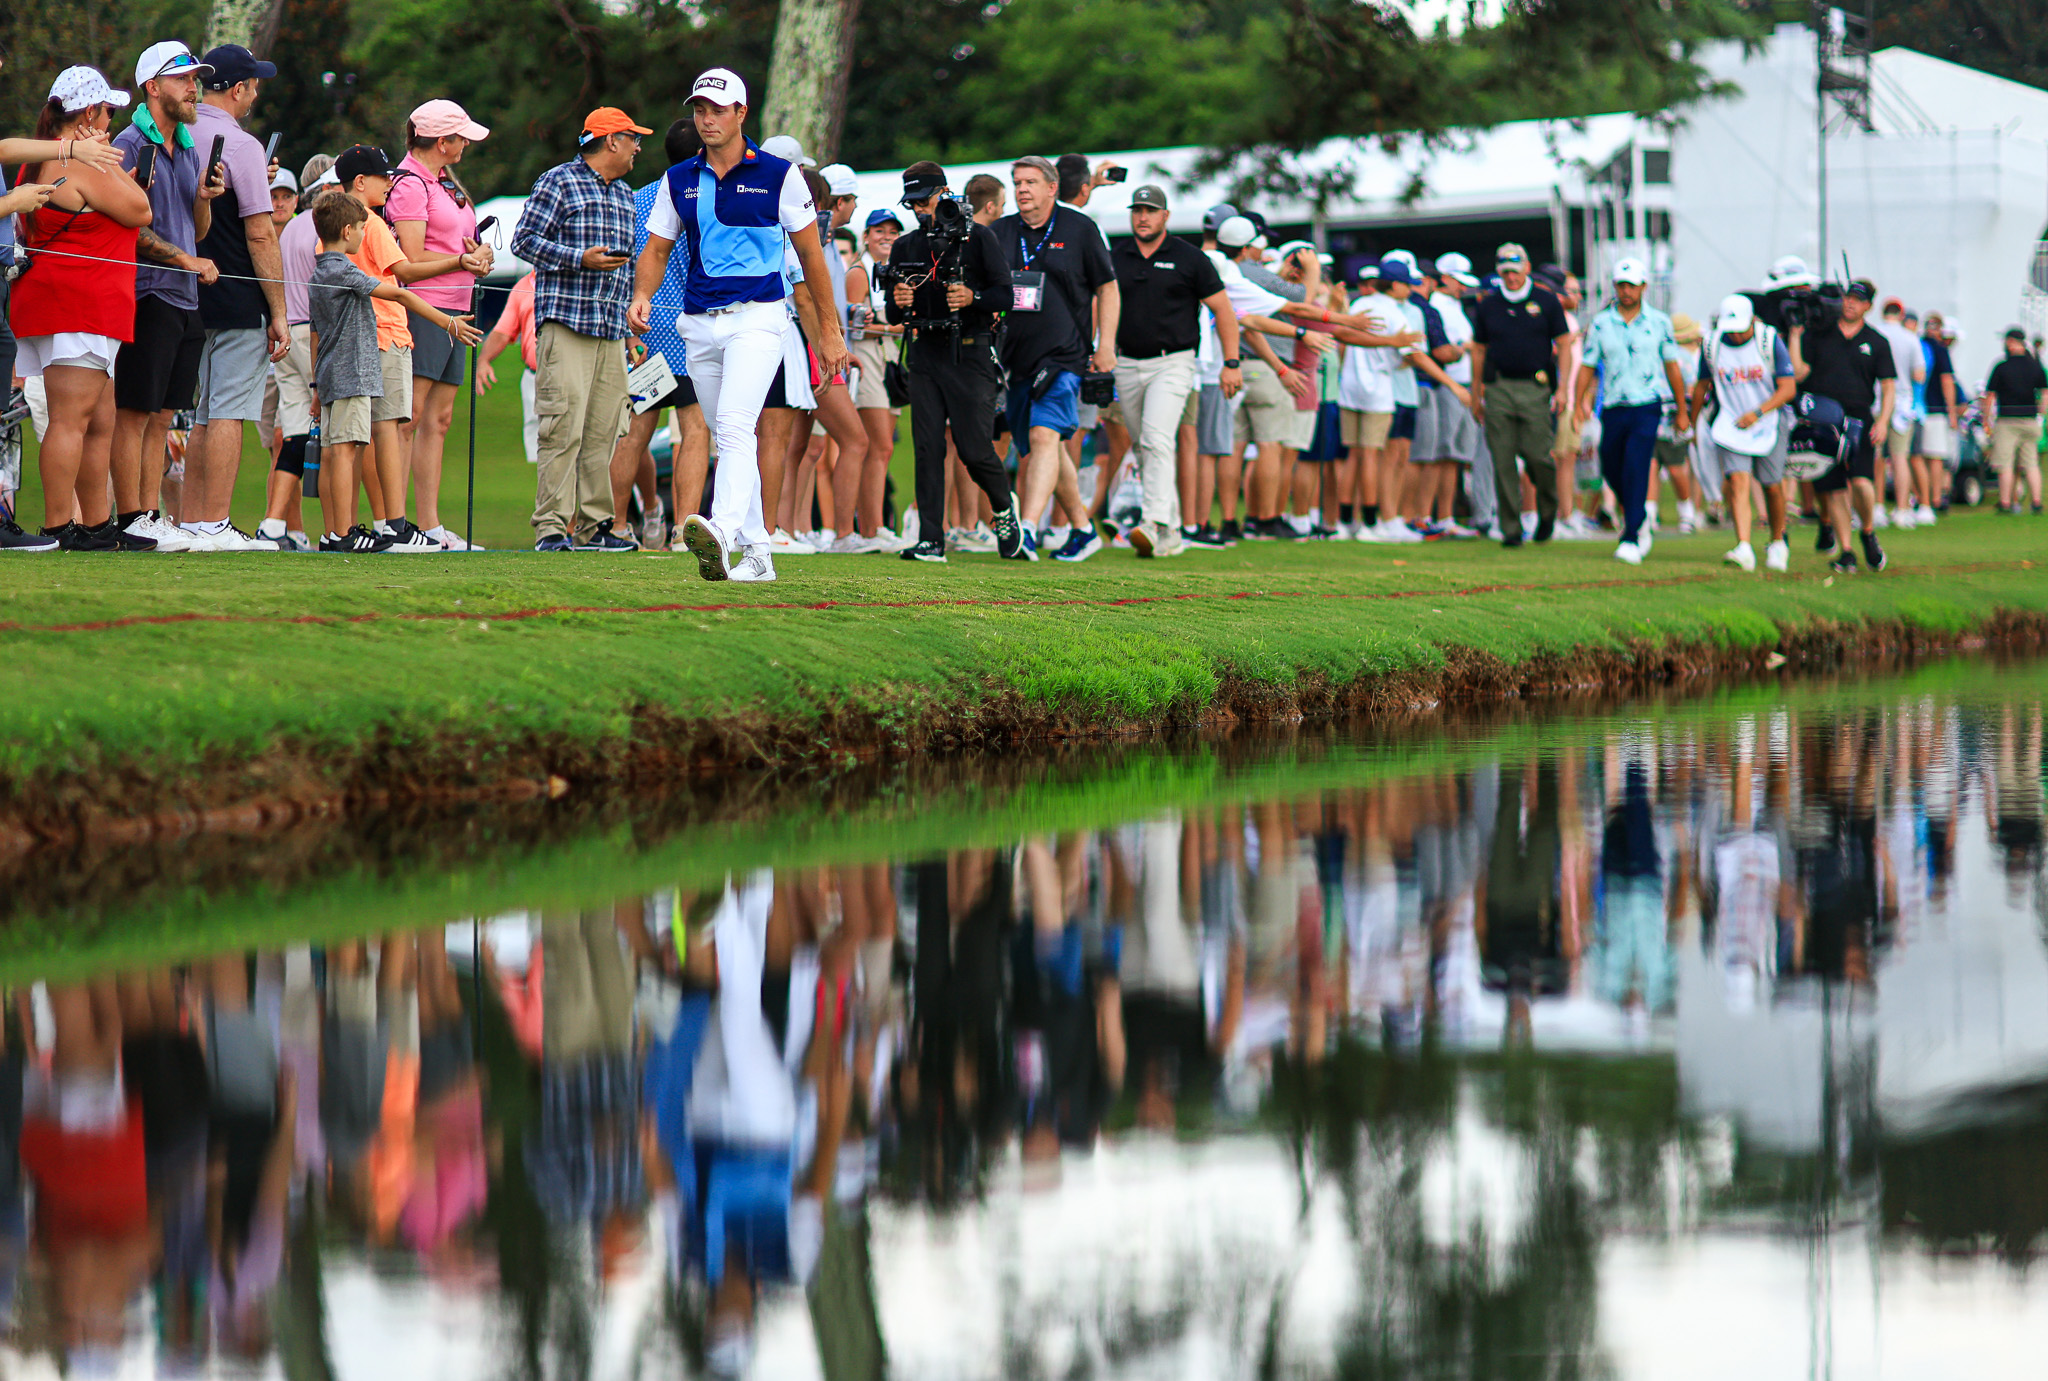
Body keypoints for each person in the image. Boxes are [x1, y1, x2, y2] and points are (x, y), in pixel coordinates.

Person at [629, 69, 848, 583]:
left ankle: (722, 531)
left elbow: (812, 259)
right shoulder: (678, 178)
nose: (707, 119)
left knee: (732, 427)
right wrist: (642, 294)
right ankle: (759, 556)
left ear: (741, 114)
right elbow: (657, 249)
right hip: (697, 325)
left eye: (718, 110)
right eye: (699, 109)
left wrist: (831, 332)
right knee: (732, 439)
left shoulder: (780, 175)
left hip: (759, 318)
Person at [9, 66, 154, 550]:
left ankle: (96, 522)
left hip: (76, 303)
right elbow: (140, 210)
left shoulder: (45, 159)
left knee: (99, 419)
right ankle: (59, 525)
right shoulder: (85, 163)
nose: (112, 121)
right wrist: (111, 169)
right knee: (72, 418)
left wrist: (114, 174)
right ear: (88, 114)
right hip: (79, 303)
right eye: (107, 111)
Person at [307, 193, 478, 552]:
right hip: (352, 370)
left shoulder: (319, 270)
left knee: (338, 447)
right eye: (362, 231)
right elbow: (400, 295)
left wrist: (315, 382)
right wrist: (448, 323)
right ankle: (343, 533)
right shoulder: (345, 270)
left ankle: (337, 532)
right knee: (345, 449)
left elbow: (316, 331)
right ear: (348, 231)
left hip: (331, 370)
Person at [513, 106, 648, 553]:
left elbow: (627, 267)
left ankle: (596, 526)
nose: (637, 148)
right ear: (611, 141)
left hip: (611, 328)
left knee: (604, 430)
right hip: (567, 322)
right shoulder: (558, 181)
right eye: (632, 139)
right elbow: (523, 241)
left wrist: (631, 332)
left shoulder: (626, 194)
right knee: (562, 426)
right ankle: (551, 528)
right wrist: (579, 258)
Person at [881, 161, 1026, 562]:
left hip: (970, 351)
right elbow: (894, 317)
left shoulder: (977, 238)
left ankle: (1003, 508)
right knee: (927, 447)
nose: (918, 211)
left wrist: (973, 299)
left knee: (974, 448)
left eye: (923, 201)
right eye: (911, 204)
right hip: (925, 352)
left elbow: (1005, 294)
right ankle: (931, 538)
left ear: (944, 193)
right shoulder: (906, 245)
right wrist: (898, 302)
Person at [109, 41, 221, 554]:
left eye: (195, 78)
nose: (193, 87)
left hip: (183, 297)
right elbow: (123, 229)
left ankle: (148, 514)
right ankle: (130, 517)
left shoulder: (190, 147)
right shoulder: (131, 144)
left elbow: (197, 233)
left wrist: (203, 199)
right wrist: (183, 261)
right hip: (145, 292)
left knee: (161, 415)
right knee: (134, 411)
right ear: (153, 87)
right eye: (182, 79)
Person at [184, 44, 287, 551]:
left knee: (203, 415)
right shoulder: (240, 144)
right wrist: (281, 312)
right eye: (253, 83)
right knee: (227, 411)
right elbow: (262, 236)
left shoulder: (178, 133)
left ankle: (193, 521)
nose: (255, 92)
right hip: (236, 294)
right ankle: (215, 522)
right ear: (238, 88)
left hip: (187, 293)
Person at [1110, 184, 1241, 557]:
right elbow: (1096, 304)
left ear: (1165, 216)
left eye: (1150, 210)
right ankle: (1172, 529)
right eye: (1137, 210)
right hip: (1125, 361)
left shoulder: (1190, 258)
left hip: (1175, 361)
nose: (1143, 216)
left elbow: (1225, 313)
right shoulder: (1116, 256)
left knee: (1156, 439)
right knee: (1145, 445)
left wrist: (1231, 363)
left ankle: (1152, 523)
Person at [995, 155, 1116, 556]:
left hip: (1065, 356)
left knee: (1044, 435)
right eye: (1017, 182)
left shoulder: (1080, 228)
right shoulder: (1001, 232)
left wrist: (1107, 346)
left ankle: (1026, 530)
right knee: (1049, 447)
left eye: (1030, 182)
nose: (1022, 189)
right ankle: (1083, 530)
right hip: (1015, 359)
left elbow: (1108, 289)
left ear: (1051, 187)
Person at [388, 99, 495, 549]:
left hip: (457, 306)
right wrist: (461, 259)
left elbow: (459, 243)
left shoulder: (444, 181)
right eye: (461, 136)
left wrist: (478, 255)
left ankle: (429, 526)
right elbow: (409, 259)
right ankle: (396, 523)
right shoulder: (411, 183)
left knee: (441, 418)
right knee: (409, 417)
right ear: (442, 141)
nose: (466, 143)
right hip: (424, 308)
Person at [328, 145, 443, 551]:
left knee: (364, 435)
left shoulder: (343, 223)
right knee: (387, 429)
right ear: (361, 182)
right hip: (386, 333)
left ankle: (366, 525)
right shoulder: (370, 223)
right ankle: (395, 524)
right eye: (383, 177)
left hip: (362, 337)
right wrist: (460, 261)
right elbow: (406, 271)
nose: (390, 183)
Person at [613, 119, 706, 551]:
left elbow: (623, 270)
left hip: (644, 332)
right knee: (694, 430)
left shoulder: (637, 200)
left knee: (634, 435)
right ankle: (684, 530)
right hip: (692, 333)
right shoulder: (705, 195)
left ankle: (614, 525)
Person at [1572, 258, 1689, 565]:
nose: (1626, 291)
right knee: (1611, 467)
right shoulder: (1600, 323)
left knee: (1637, 466)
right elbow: (1587, 366)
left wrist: (1681, 410)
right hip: (1612, 405)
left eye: (1632, 285)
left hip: (1647, 404)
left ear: (1643, 287)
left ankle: (1631, 536)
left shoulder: (1659, 322)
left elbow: (1672, 366)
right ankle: (1638, 517)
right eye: (1621, 285)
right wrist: (1576, 402)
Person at [1469, 242, 1573, 548]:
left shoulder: (1546, 300)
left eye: (1515, 271)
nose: (1511, 277)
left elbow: (1564, 342)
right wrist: (1476, 392)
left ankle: (1547, 512)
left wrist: (1564, 387)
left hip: (1535, 387)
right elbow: (1478, 349)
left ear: (1526, 268)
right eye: (1505, 272)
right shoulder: (1488, 304)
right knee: (1502, 459)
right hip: (1499, 387)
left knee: (1539, 456)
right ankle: (1511, 528)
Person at [1787, 279, 1894, 574]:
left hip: (1859, 419)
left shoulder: (1877, 341)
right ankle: (1846, 551)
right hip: (1823, 421)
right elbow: (1799, 373)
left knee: (1861, 482)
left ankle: (1868, 532)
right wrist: (1795, 335)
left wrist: (1883, 421)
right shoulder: (1819, 335)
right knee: (1833, 490)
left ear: (1868, 306)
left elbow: (1888, 387)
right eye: (1848, 298)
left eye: (1858, 300)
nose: (1850, 303)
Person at [1691, 294, 1795, 571]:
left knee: (1772, 485)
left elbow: (1788, 388)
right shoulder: (1712, 344)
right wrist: (1690, 421)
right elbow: (1702, 385)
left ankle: (1776, 541)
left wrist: (1758, 413)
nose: (1735, 336)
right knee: (1738, 483)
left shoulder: (1769, 340)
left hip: (1768, 420)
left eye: (1740, 329)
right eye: (1731, 330)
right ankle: (1744, 546)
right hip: (1732, 421)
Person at [835, 209, 903, 552]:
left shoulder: (888, 272)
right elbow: (850, 322)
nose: (887, 236)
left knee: (882, 448)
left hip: (887, 355)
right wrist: (893, 326)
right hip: (868, 355)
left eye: (893, 230)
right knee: (878, 446)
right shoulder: (859, 272)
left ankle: (874, 526)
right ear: (866, 236)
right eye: (880, 230)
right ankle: (869, 528)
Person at [1982, 326, 2046, 515]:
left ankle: (2005, 502)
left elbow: (1990, 395)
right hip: (2030, 420)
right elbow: (2044, 392)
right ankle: (2036, 502)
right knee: (2031, 463)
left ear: (2010, 342)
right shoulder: (2035, 366)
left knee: (2005, 463)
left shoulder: (2001, 367)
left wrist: (1987, 418)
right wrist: (2040, 412)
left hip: (2007, 420)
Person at [1874, 298, 1926, 527]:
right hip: (1902, 401)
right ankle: (1902, 509)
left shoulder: (1874, 334)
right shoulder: (1910, 338)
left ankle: (1877, 508)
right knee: (1900, 457)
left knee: (1875, 457)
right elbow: (1919, 375)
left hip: (1875, 400)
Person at [477, 271, 539, 462]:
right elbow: (503, 331)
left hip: (571, 375)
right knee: (541, 453)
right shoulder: (524, 285)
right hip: (535, 379)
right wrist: (483, 360)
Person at [1914, 312, 1958, 519]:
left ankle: (1918, 497)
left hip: (1915, 409)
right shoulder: (1940, 350)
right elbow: (1947, 381)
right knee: (1935, 457)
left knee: (1917, 457)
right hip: (1935, 408)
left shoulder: (1917, 345)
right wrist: (1952, 412)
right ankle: (1935, 498)